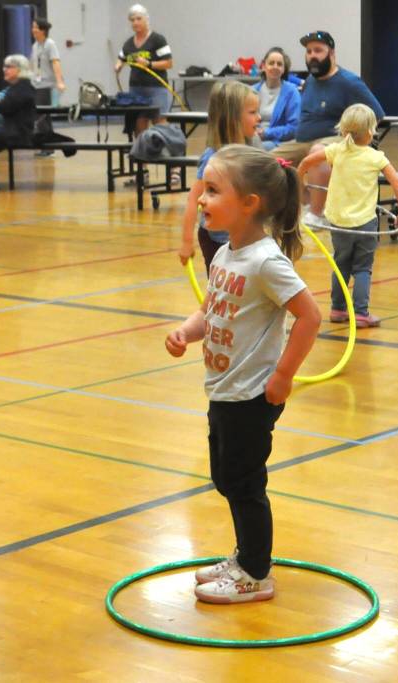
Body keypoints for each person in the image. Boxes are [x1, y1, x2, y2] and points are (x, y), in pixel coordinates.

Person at [164, 145, 321, 604]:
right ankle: (246, 554)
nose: (201, 200)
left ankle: (255, 572)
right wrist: (185, 333)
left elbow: (309, 316)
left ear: (250, 203)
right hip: (223, 390)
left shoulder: (267, 261)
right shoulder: (226, 254)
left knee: (245, 482)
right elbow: (209, 309)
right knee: (227, 477)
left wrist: (284, 375)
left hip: (253, 394)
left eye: (213, 191)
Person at [298, 104, 398, 328]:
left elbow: (307, 162)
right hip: (365, 223)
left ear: (344, 130)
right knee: (362, 268)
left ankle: (337, 309)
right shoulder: (376, 157)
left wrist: (300, 181)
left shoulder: (336, 150)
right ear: (370, 131)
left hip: (338, 222)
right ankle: (360, 313)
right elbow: (396, 181)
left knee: (340, 265)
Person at [270, 31, 384, 228]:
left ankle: (317, 214)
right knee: (271, 160)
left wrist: (353, 141)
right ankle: (305, 202)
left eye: (318, 51)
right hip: (302, 141)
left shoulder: (349, 82)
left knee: (318, 153)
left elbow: (377, 114)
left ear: (331, 53)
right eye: (308, 51)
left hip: (334, 140)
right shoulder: (311, 82)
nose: (312, 55)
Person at [179, 81, 262, 271]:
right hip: (217, 239)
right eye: (252, 113)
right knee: (223, 291)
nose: (259, 118)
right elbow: (194, 199)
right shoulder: (213, 157)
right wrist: (186, 242)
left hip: (245, 234)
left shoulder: (254, 146)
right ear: (232, 118)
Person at [0, 55, 36, 193]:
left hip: (19, 131)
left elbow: (6, 107)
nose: (5, 69)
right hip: (9, 129)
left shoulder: (24, 87)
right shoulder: (14, 88)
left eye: (9, 67)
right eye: (4, 66)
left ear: (20, 70)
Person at [115, 4, 173, 134]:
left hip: (156, 88)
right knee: (139, 122)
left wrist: (149, 64)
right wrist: (118, 65)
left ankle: (162, 151)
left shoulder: (158, 39)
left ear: (146, 19)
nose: (135, 22)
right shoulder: (129, 43)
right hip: (136, 90)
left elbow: (169, 63)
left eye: (139, 18)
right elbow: (121, 57)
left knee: (159, 122)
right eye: (132, 20)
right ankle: (141, 151)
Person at [253, 47, 300, 151]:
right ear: (263, 66)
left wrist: (266, 133)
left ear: (284, 69)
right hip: (253, 137)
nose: (275, 67)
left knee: (256, 149)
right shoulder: (252, 91)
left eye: (279, 64)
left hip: (278, 142)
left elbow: (294, 128)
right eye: (271, 63)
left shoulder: (292, 92)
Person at [31, 18, 65, 107]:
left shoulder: (50, 44)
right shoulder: (35, 45)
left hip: (47, 86)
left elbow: (55, 62)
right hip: (36, 84)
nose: (33, 30)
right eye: (33, 27)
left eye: (36, 28)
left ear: (43, 31)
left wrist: (60, 82)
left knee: (42, 114)